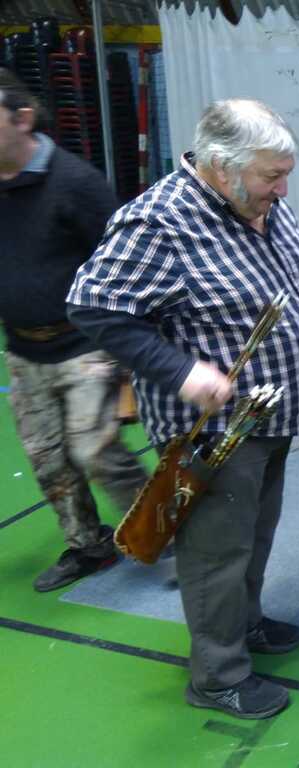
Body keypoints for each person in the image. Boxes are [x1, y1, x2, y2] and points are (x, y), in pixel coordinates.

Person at [66, 99, 299, 719]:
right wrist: (183, 372)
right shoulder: (158, 222)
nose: (283, 189)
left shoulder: (257, 200)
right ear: (220, 165)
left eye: (284, 174)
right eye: (272, 176)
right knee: (216, 551)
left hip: (271, 413)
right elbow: (93, 306)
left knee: (255, 531)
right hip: (213, 432)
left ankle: (245, 622)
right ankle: (218, 675)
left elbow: (295, 285)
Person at [0, 68, 149, 593]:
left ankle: (164, 532)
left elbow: (124, 267)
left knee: (95, 451)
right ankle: (90, 546)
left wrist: (129, 358)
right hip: (24, 350)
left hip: (86, 345)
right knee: (48, 460)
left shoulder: (76, 184)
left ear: (22, 118)